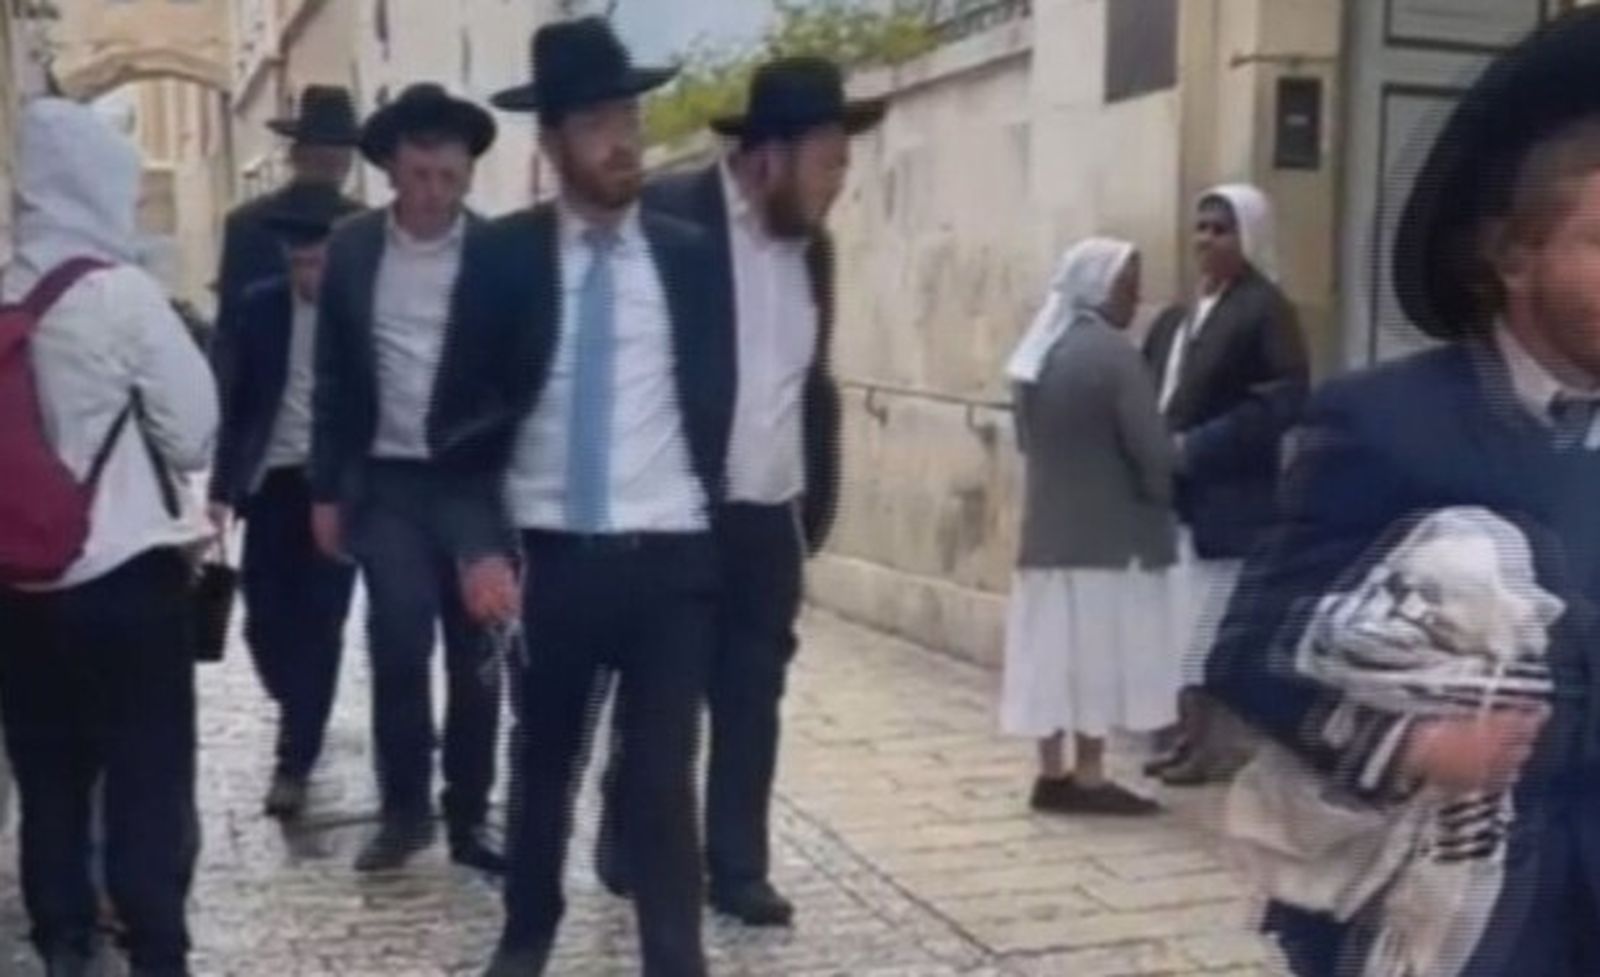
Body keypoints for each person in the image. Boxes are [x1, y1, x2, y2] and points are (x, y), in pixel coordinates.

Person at [1205, 8, 1600, 974]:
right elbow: (1250, 651)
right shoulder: (1382, 422)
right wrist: (1417, 743)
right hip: (1447, 924)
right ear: (1512, 258)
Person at [429, 18, 732, 976]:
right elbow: (458, 426)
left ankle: (674, 957)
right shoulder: (507, 258)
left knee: (658, 776)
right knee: (544, 763)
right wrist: (479, 547)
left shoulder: (687, 255)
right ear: (553, 141)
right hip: (554, 559)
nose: (623, 138)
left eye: (629, 115)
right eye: (598, 121)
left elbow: (719, 397)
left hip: (670, 556)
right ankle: (526, 935)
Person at [593, 55, 876, 928]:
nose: (838, 184)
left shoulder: (814, 249)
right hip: (677, 507)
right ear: (769, 157)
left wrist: (811, 500)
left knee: (753, 693)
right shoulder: (667, 218)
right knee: (662, 695)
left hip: (767, 515)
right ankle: (630, 832)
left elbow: (807, 378)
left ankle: (738, 863)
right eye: (828, 162)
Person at [0, 97, 217, 977]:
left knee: (46, 781)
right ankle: (155, 951)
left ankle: (61, 946)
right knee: (144, 780)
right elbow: (196, 429)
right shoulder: (121, 294)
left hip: (15, 588)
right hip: (127, 579)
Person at [310, 83, 503, 874]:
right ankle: (403, 811)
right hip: (387, 480)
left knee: (477, 653)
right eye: (419, 176)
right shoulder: (353, 248)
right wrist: (327, 489)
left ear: (465, 175)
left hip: (472, 480)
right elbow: (331, 374)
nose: (433, 194)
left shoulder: (498, 253)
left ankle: (470, 813)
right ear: (392, 170)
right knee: (396, 638)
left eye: (448, 178)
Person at [999, 238, 1179, 816]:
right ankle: (1091, 774)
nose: (1136, 297)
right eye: (1128, 285)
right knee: (1094, 660)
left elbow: (1028, 442)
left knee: (1051, 659)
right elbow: (1149, 448)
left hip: (1047, 536)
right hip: (1107, 538)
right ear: (1100, 288)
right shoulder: (1114, 356)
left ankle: (1050, 770)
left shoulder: (1037, 353)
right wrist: (1164, 492)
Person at [1141, 183, 1309, 787]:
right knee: (1177, 624)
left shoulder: (1264, 309)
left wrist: (1197, 447)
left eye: (1221, 229)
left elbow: (1283, 400)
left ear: (1248, 238)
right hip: (1178, 501)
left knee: (1207, 630)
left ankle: (1212, 744)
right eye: (1201, 227)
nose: (1206, 240)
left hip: (1228, 500)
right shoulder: (1184, 315)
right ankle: (1184, 736)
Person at [209, 183, 363, 818]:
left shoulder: (361, 315)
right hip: (271, 485)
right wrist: (220, 491)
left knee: (322, 626)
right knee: (263, 623)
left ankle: (293, 761)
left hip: (338, 485)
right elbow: (237, 402)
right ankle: (297, 703)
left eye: (320, 262)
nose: (310, 275)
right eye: (300, 263)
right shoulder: (259, 308)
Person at [213, 85, 359, 352]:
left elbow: (229, 330)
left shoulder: (246, 222)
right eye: (325, 156)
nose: (333, 163)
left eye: (335, 156)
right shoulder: (365, 227)